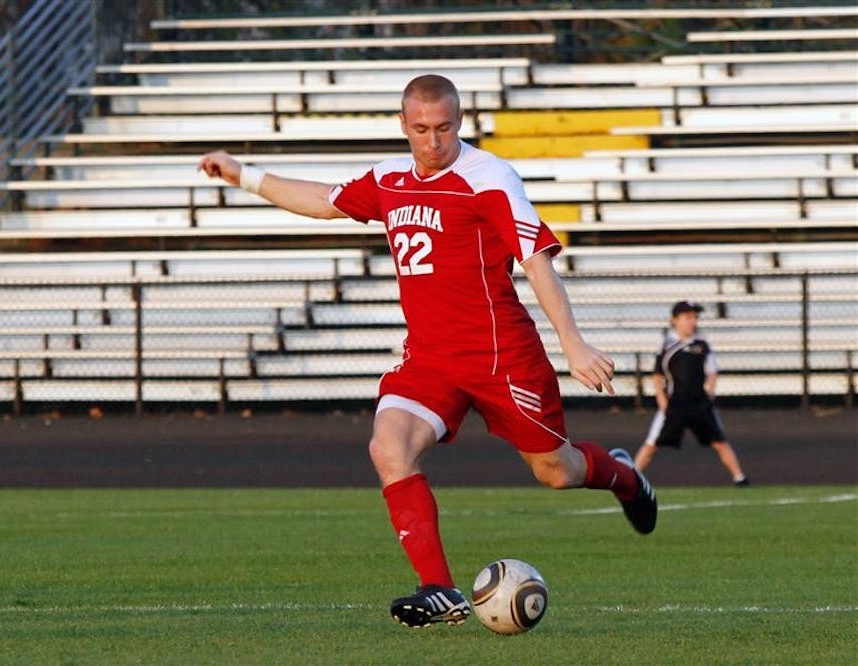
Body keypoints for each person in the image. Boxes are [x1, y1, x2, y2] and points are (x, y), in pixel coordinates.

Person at [198, 74, 656, 629]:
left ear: (459, 122)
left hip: (501, 356)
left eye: (444, 128)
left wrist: (573, 343)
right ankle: (439, 589)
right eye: (421, 129)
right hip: (430, 359)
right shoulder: (390, 179)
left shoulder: (488, 177)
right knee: (388, 448)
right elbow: (324, 202)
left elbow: (535, 258)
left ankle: (625, 477)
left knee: (555, 472)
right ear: (403, 125)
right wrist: (242, 173)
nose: (433, 141)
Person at [634, 300, 749, 486]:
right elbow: (657, 374)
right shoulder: (668, 345)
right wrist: (661, 399)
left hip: (699, 403)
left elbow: (712, 371)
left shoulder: (702, 345)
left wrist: (709, 393)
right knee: (652, 442)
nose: (692, 322)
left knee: (719, 441)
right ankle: (632, 476)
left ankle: (739, 477)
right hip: (676, 402)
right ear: (674, 320)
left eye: (695, 317)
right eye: (688, 317)